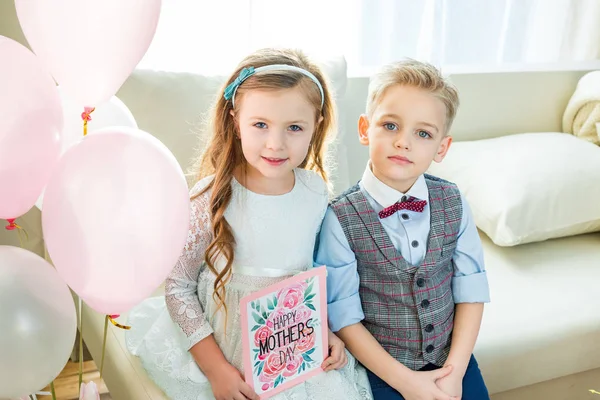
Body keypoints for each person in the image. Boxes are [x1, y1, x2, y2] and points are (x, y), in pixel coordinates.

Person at [125, 48, 373, 400]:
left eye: (294, 128)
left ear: (315, 127)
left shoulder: (316, 192)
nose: (276, 143)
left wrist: (323, 332)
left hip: (290, 350)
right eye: (260, 125)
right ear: (235, 121)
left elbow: (308, 279)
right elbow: (178, 286)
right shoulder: (210, 197)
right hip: (224, 351)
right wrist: (217, 370)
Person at [316, 59, 491, 400]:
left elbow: (471, 289)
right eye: (391, 126)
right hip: (383, 371)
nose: (403, 142)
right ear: (366, 129)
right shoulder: (339, 217)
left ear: (442, 147)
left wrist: (453, 374)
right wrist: (407, 383)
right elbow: (344, 317)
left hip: (452, 364)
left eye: (422, 133)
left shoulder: (453, 200)